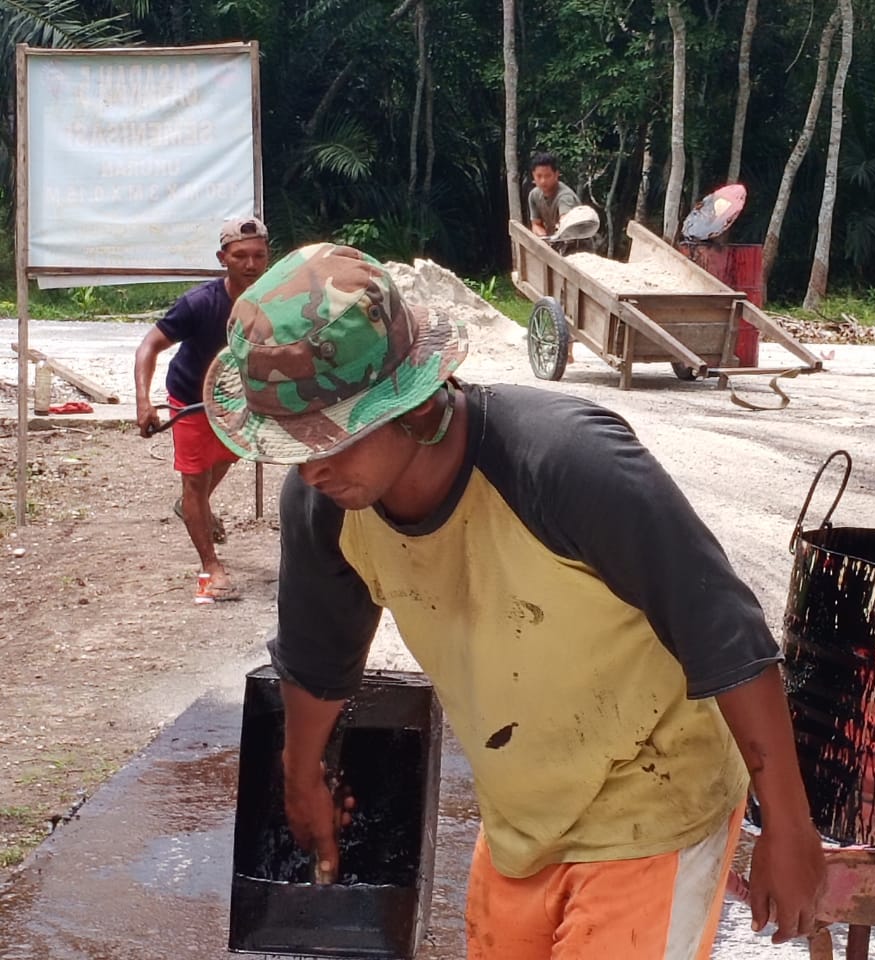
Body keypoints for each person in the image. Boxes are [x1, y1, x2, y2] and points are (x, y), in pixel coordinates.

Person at [202, 242, 827, 959]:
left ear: (409, 400)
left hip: (657, 797)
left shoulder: (567, 466)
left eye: (328, 439)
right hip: (522, 818)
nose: (310, 465)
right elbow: (318, 659)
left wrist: (788, 825)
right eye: (291, 446)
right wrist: (301, 777)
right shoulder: (327, 505)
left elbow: (728, 636)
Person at [134, 216, 269, 599]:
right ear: (222, 258)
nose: (250, 264)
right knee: (195, 478)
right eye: (240, 255)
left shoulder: (276, 304)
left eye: (258, 255)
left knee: (227, 457)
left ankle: (193, 506)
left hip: (238, 400)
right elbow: (149, 345)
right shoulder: (199, 303)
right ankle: (211, 568)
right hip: (191, 398)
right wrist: (144, 401)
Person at [527, 151, 581, 239]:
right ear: (533, 175)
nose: (543, 181)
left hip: (575, 244)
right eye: (539, 176)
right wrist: (542, 236)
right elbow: (536, 224)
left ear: (556, 174)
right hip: (553, 242)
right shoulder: (534, 195)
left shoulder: (565, 197)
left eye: (547, 176)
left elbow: (565, 224)